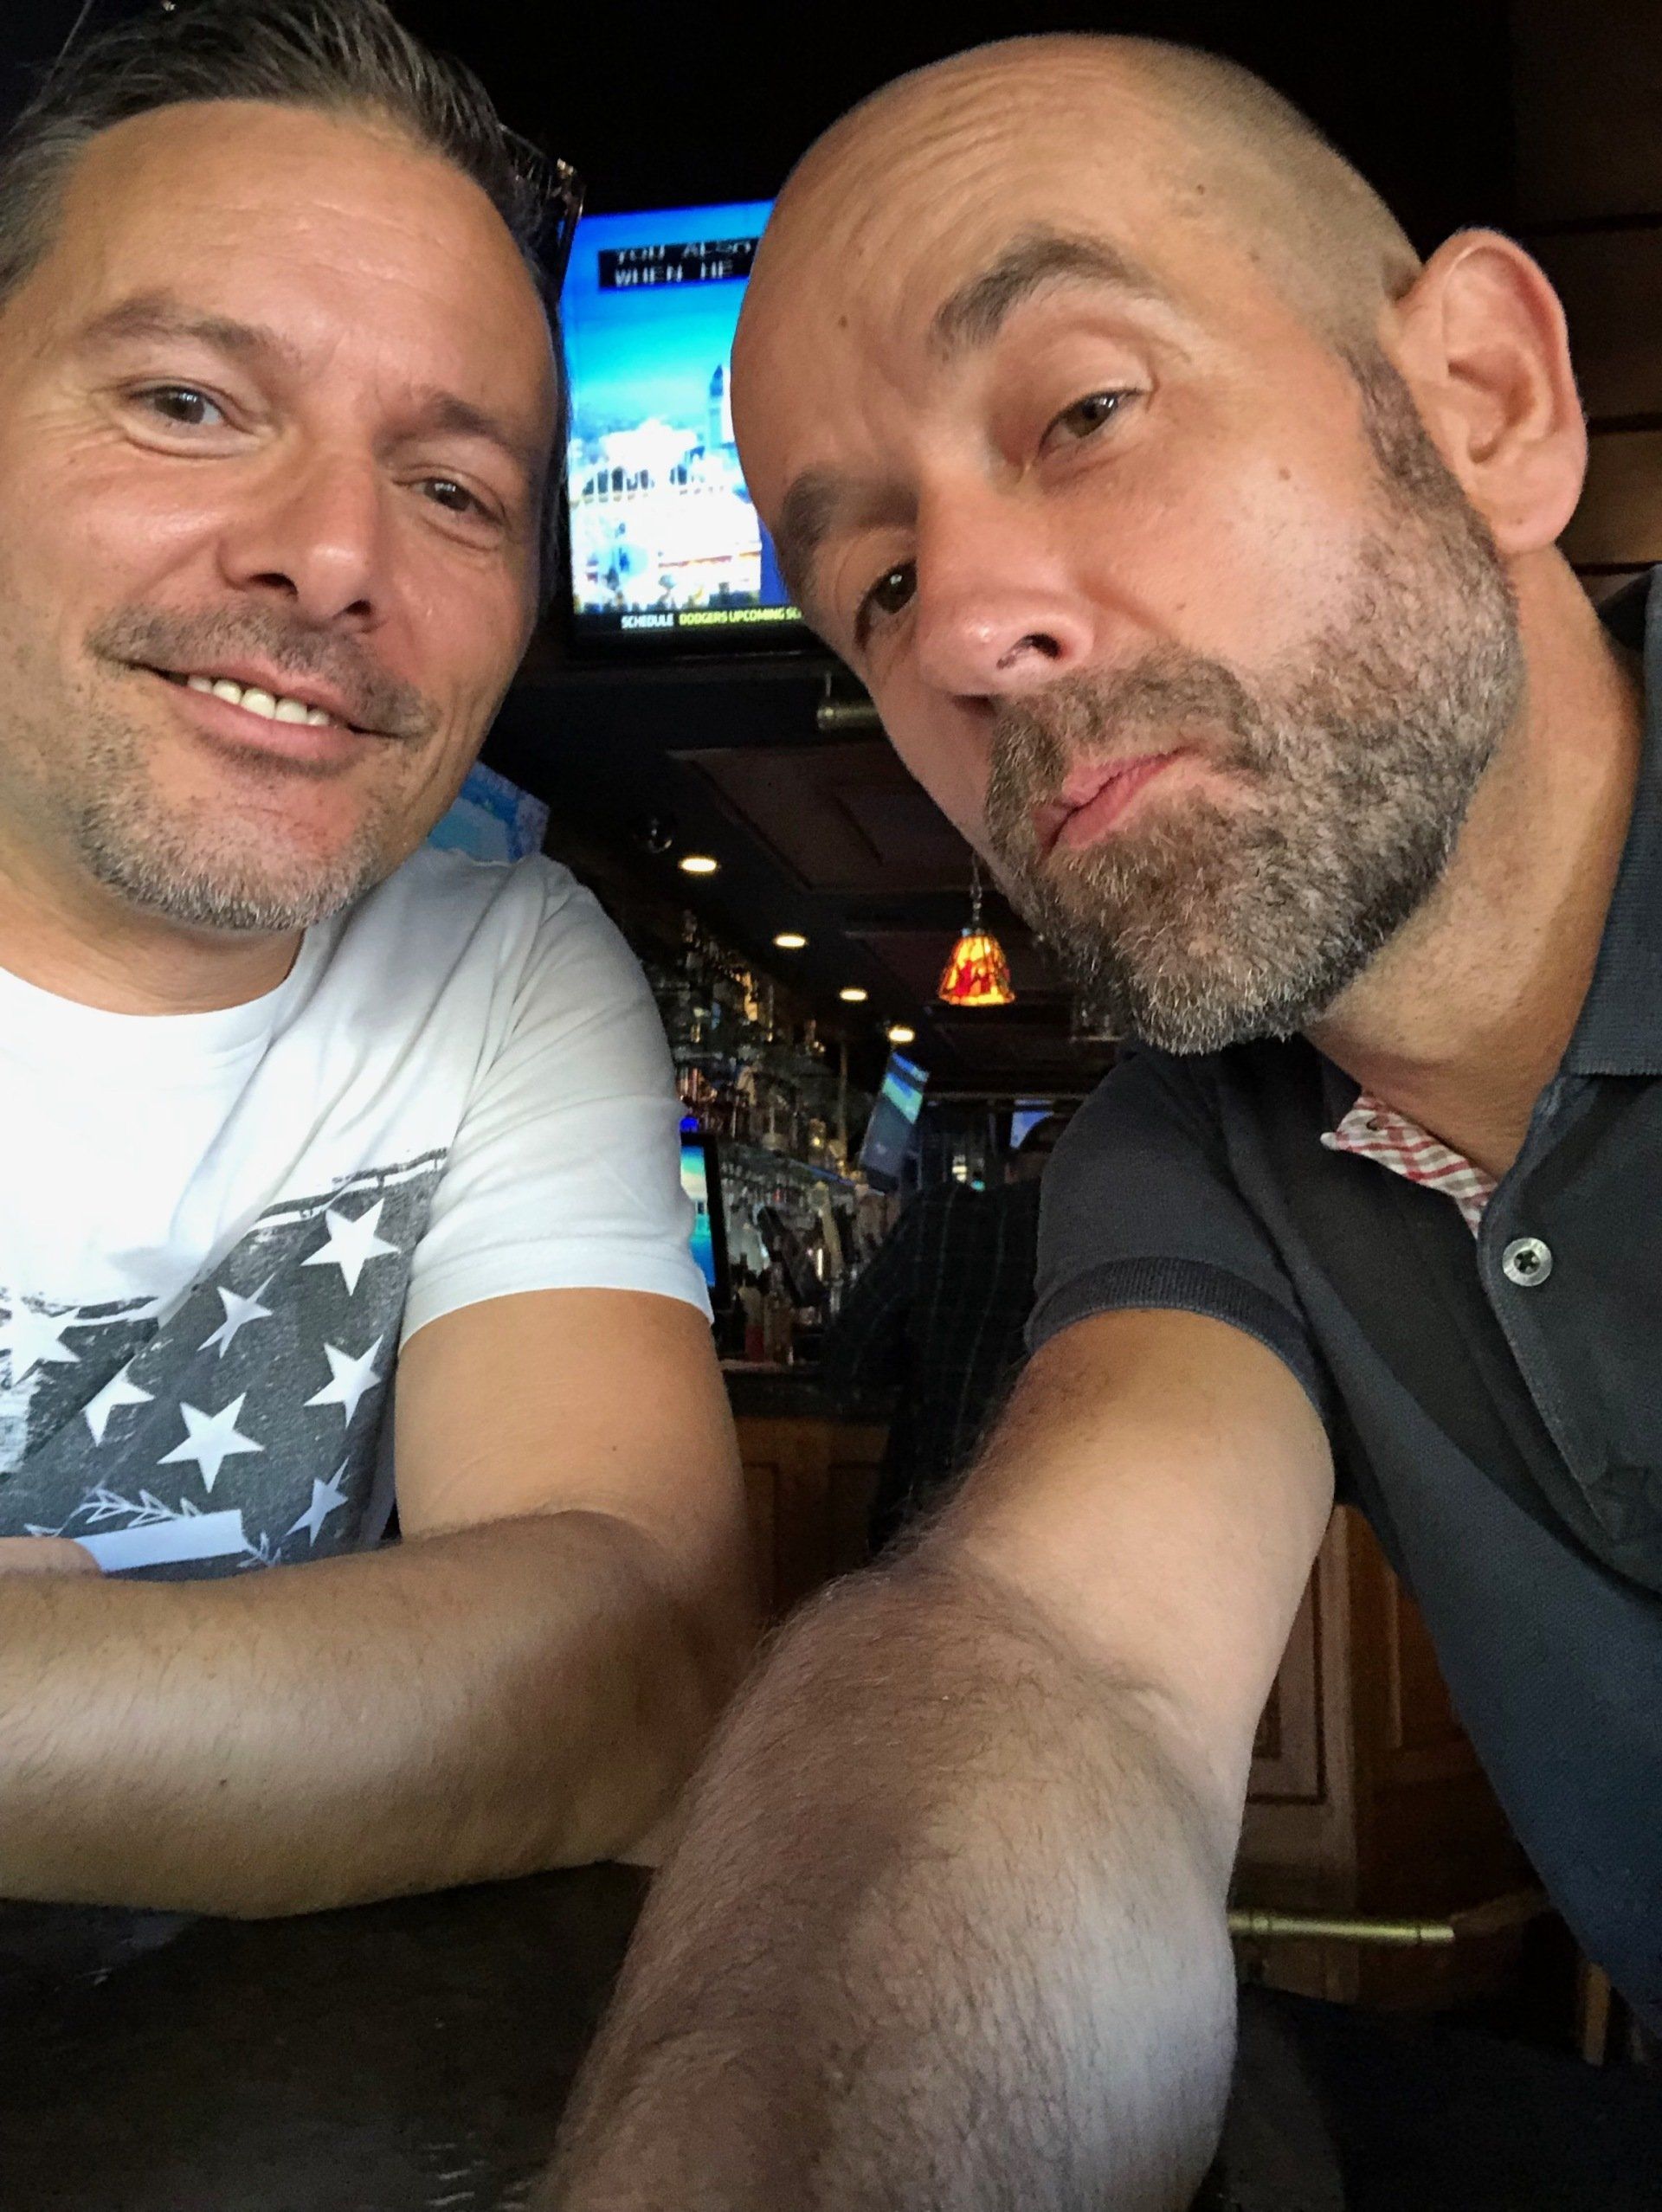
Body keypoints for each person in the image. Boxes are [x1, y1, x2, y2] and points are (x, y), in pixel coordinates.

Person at [542, 32, 1662, 2211]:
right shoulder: (1201, 1151)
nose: (967, 632)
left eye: (1083, 412)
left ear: (1486, 402)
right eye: (875, 587)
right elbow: (1062, 1668)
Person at [0, 0, 754, 1920]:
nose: (334, 556)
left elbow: (640, 1659)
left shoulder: (501, 968)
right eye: (188, 402)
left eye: (451, 491)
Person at [824, 1117, 1064, 1546]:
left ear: (1010, 1171)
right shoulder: (1113, 1254)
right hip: (1051, 1531)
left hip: (923, 1523)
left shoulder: (943, 1216)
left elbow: (850, 1354)